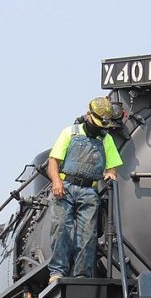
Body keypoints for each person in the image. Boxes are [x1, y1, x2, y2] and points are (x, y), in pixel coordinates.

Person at [46, 97, 123, 284]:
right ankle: (58, 271)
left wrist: (111, 174)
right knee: (61, 228)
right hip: (65, 188)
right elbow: (53, 161)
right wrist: (56, 181)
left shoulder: (106, 139)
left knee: (87, 235)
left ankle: (82, 275)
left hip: (90, 191)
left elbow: (113, 166)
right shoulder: (69, 133)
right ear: (89, 115)